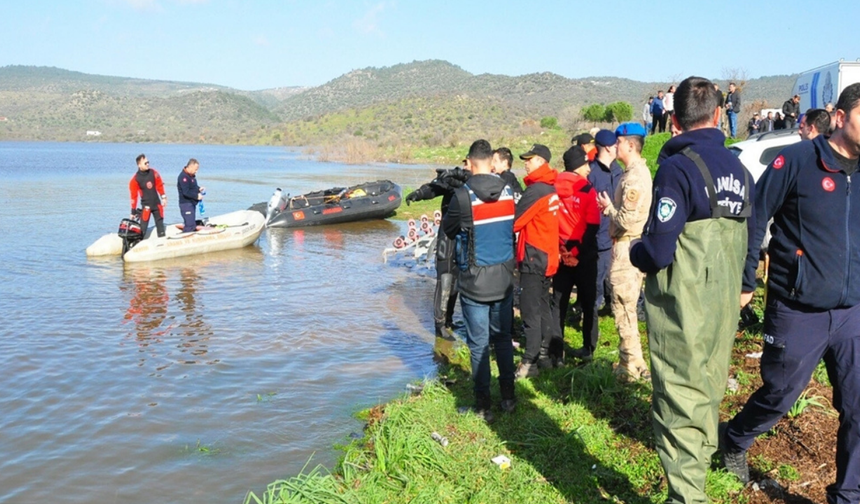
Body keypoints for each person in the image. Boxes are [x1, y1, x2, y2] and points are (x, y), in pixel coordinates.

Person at [721, 83, 860, 504]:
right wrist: (746, 281)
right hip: (798, 306)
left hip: (853, 309)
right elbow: (754, 217)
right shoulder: (798, 160)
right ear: (840, 117)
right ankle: (734, 438)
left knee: (858, 406)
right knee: (780, 393)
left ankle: (849, 495)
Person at [630, 76, 754, 503]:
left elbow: (661, 250)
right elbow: (750, 238)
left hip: (685, 302)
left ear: (676, 120)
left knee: (679, 398)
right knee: (707, 388)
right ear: (719, 115)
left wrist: (634, 252)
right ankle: (692, 483)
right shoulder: (739, 168)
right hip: (722, 301)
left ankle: (688, 497)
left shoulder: (677, 168)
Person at [442, 139, 517, 421]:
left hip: (474, 283)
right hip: (504, 279)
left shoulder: (462, 197)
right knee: (503, 340)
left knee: (479, 345)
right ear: (491, 161)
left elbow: (449, 230)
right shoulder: (509, 191)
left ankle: (484, 406)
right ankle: (509, 399)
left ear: (471, 163)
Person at [596, 123, 652, 381]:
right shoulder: (636, 173)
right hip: (631, 245)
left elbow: (627, 220)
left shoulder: (633, 178)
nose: (615, 146)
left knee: (623, 308)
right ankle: (635, 361)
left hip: (626, 247)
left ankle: (629, 367)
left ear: (630, 145)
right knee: (626, 309)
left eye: (618, 142)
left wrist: (608, 208)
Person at [404, 164, 471, 338]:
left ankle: (448, 319)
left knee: (457, 279)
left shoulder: (476, 182)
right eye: (465, 163)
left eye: (468, 163)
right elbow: (434, 188)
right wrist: (419, 194)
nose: (465, 166)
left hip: (465, 236)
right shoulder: (454, 179)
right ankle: (439, 324)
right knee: (445, 276)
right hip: (447, 235)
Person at [551, 145, 600, 368]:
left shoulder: (551, 188)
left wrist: (562, 250)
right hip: (584, 254)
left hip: (561, 254)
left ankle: (556, 353)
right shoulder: (588, 190)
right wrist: (577, 252)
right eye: (586, 165)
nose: (589, 169)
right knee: (589, 302)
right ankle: (589, 349)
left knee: (558, 303)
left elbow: (550, 221)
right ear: (578, 166)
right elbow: (593, 226)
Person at [513, 144, 559, 378]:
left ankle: (529, 362)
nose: (526, 163)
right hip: (548, 257)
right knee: (543, 306)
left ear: (541, 161)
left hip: (534, 257)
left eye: (529, 159)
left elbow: (516, 222)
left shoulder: (536, 191)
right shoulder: (551, 188)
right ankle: (544, 355)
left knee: (530, 310)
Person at [586, 129, 623, 350]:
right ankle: (590, 322)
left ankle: (614, 307)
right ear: (609, 147)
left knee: (616, 278)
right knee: (596, 281)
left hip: (619, 235)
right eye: (616, 144)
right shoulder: (592, 174)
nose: (619, 147)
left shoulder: (619, 171)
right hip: (599, 238)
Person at [129, 153, 167, 239]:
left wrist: (163, 197)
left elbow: (159, 185)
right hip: (146, 207)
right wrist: (133, 211)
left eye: (148, 162)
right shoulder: (135, 179)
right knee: (143, 229)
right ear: (139, 165)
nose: (148, 164)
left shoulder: (153, 173)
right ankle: (138, 242)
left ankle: (161, 240)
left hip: (157, 205)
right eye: (145, 163)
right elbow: (133, 197)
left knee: (160, 227)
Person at [177, 158, 204, 232]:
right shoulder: (183, 177)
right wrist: (197, 196)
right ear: (190, 167)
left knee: (192, 224)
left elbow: (192, 187)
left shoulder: (191, 176)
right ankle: (185, 239)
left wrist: (199, 189)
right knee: (190, 225)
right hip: (186, 204)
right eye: (195, 169)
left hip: (191, 204)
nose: (196, 171)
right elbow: (186, 192)